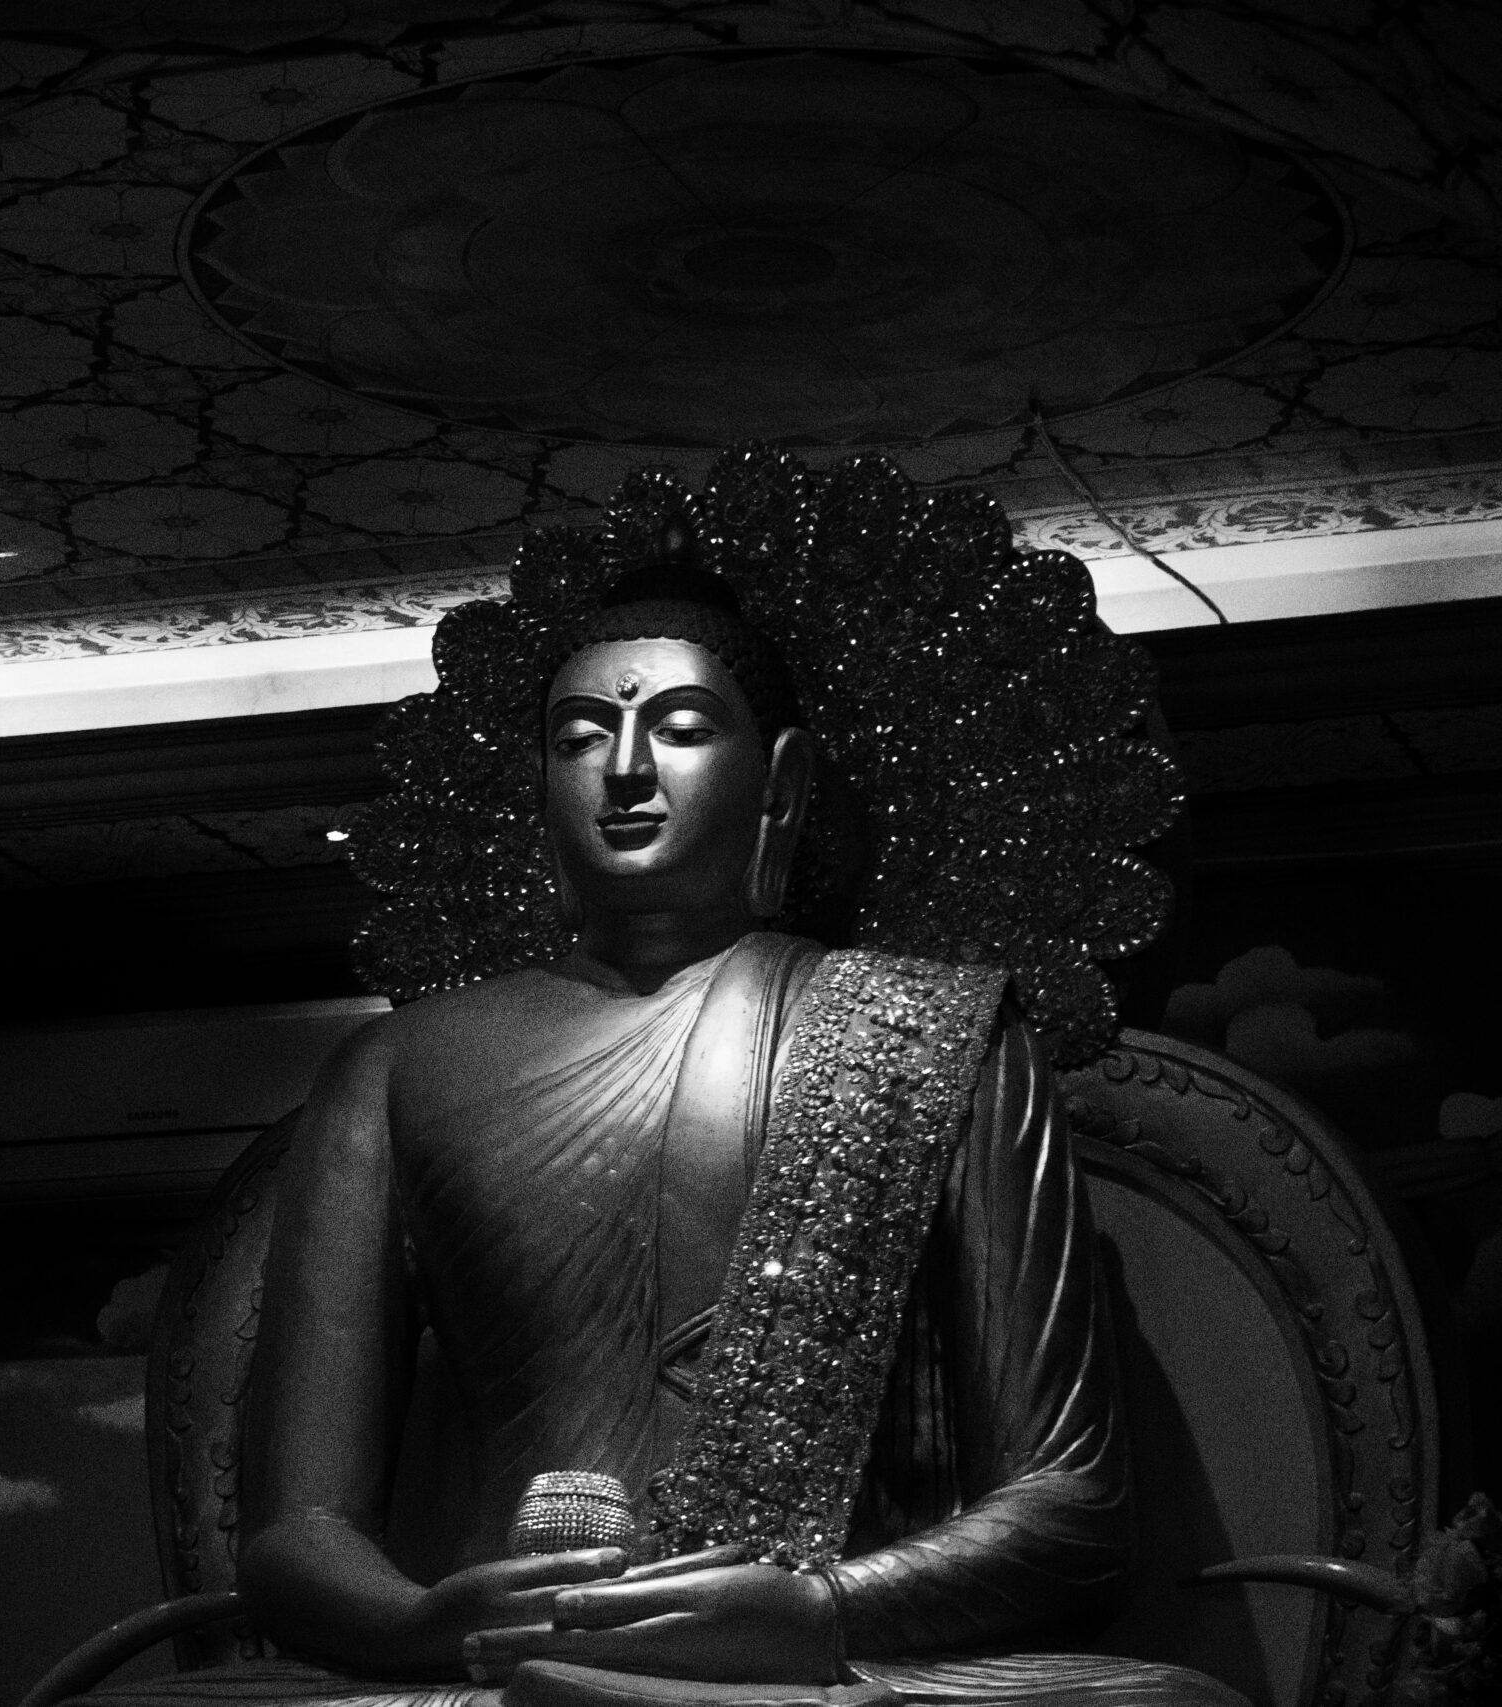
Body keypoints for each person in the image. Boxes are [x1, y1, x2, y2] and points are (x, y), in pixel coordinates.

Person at [227, 452, 1243, 1706]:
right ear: (533, 787)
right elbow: (289, 1535)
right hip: (492, 1665)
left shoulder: (934, 1032)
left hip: (822, 1664)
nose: (625, 769)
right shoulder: (391, 1067)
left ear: (786, 783)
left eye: (684, 727)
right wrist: (422, 1622)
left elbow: (1068, 1509)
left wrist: (816, 1608)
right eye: (579, 734)